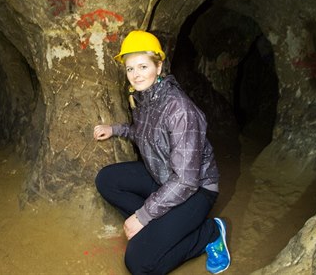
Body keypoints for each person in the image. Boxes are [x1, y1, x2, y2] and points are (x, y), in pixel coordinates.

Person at [93, 30, 231, 274]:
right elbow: (143, 132)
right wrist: (114, 129)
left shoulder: (180, 110)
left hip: (196, 189)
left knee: (138, 263)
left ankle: (209, 233)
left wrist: (144, 216)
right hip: (163, 175)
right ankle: (160, 228)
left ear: (158, 67)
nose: (135, 75)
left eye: (143, 66)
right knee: (107, 180)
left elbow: (186, 181)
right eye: (130, 69)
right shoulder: (145, 97)